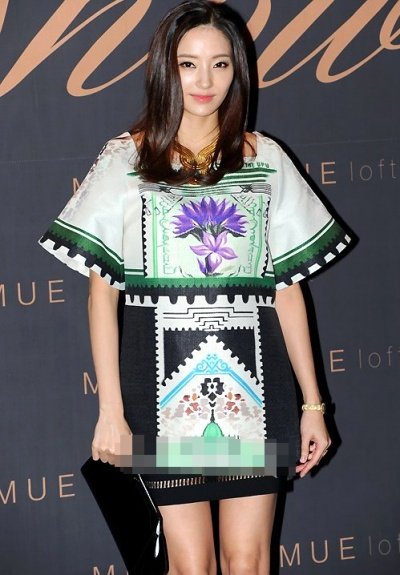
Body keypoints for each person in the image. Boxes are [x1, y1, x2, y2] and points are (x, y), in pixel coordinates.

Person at [39, 1, 352, 573]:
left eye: (220, 64)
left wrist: (312, 405)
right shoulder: (126, 159)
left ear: (239, 72)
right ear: (166, 69)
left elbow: (286, 289)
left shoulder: (266, 159)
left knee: (249, 560)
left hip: (256, 390)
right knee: (190, 565)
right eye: (188, 64)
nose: (205, 81)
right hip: (157, 392)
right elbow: (102, 294)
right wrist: (111, 411)